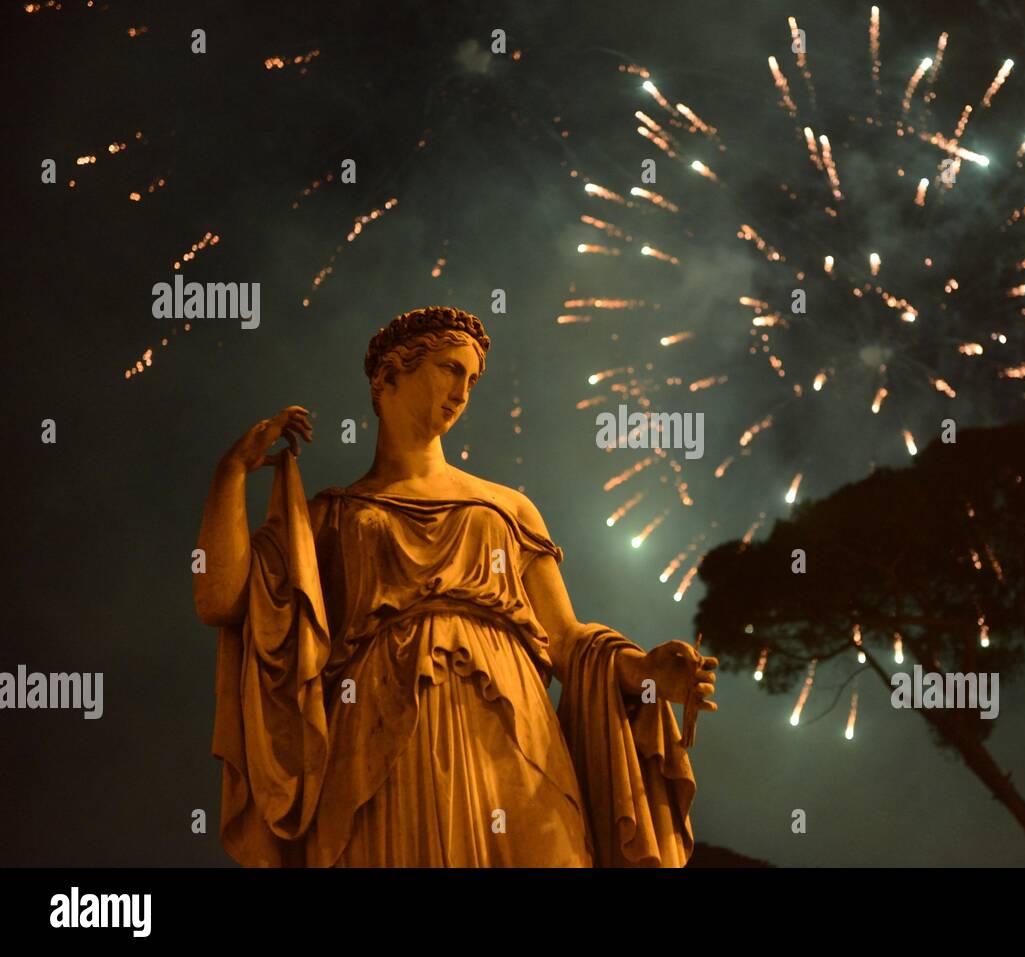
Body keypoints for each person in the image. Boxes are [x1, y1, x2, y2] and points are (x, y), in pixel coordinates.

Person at [193, 305, 718, 867]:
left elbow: (564, 640)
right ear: (389, 374)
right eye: (449, 369)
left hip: (513, 727)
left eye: (473, 379)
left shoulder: (508, 507)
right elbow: (219, 598)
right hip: (376, 741)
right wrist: (231, 474)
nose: (463, 391)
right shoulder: (329, 517)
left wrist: (641, 673)